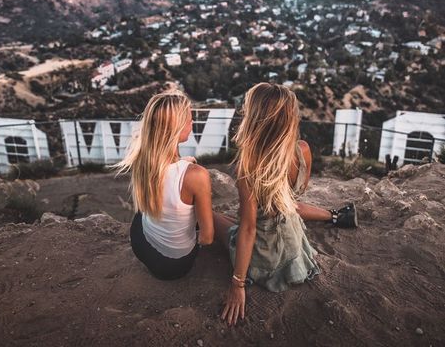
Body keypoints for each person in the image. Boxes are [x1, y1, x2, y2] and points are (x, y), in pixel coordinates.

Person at [215, 83, 347, 326]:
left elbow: (249, 230)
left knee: (215, 219)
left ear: (254, 119)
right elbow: (296, 198)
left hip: (266, 254)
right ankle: (336, 216)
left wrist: (237, 284)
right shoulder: (303, 150)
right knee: (244, 220)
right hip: (295, 244)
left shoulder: (249, 168)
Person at [114, 89, 214, 280]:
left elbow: (168, 172)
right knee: (199, 214)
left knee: (143, 211)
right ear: (177, 127)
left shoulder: (143, 160)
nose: (192, 123)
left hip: (141, 245)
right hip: (174, 266)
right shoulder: (197, 176)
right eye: (189, 120)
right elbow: (207, 238)